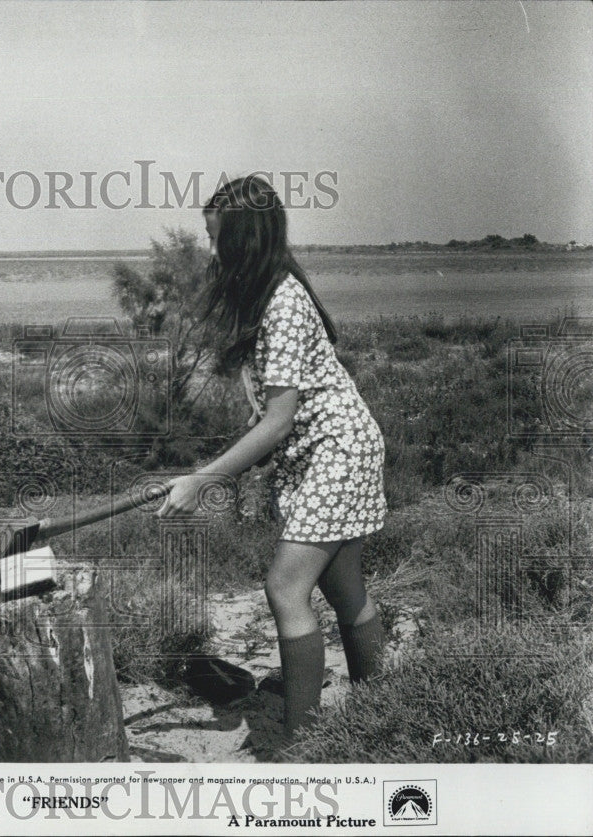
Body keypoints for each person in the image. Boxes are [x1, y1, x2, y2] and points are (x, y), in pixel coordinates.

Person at [158, 174, 387, 738]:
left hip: (337, 450)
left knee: (285, 588)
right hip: (326, 450)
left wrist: (201, 480)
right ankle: (381, 715)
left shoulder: (283, 300)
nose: (212, 253)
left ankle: (302, 741)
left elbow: (279, 420)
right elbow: (271, 419)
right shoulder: (266, 294)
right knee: (342, 588)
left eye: (218, 242)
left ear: (247, 241)